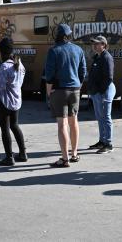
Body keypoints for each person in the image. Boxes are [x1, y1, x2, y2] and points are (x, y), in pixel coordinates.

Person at [45, 24, 87, 168]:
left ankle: (64, 158)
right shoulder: (78, 49)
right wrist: (78, 86)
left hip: (59, 89)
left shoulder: (53, 51)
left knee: (62, 124)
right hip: (75, 89)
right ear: (68, 35)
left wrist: (48, 91)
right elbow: (83, 72)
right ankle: (75, 154)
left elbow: (49, 75)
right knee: (73, 121)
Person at [0, 37, 27, 166]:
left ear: (1, 52)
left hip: (4, 101)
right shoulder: (19, 64)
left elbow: (1, 86)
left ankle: (9, 157)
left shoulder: (4, 66)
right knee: (15, 125)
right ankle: (23, 153)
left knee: (5, 129)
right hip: (16, 100)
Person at [87, 35, 116, 154]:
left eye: (97, 43)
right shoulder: (97, 57)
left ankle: (108, 144)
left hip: (105, 92)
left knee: (106, 117)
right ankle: (102, 141)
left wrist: (101, 91)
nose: (94, 45)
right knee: (100, 118)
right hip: (96, 92)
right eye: (93, 43)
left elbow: (109, 77)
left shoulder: (107, 57)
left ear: (103, 45)